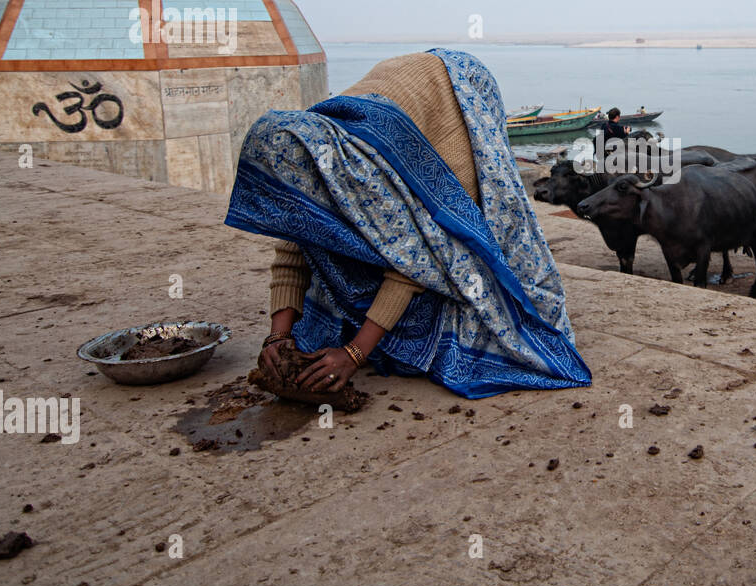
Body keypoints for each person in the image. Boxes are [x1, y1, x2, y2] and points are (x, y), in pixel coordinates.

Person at [225, 49, 591, 399]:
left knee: (472, 237)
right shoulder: (305, 146)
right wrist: (278, 335)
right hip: (396, 91)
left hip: (458, 88)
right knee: (332, 242)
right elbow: (295, 238)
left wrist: (355, 352)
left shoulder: (386, 175)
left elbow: (412, 262)